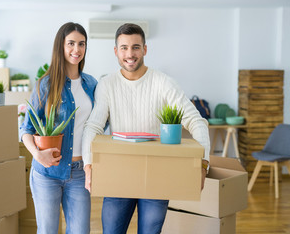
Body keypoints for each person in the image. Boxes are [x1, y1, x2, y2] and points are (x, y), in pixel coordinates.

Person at [81, 23, 210, 234]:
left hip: (157, 175)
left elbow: (197, 121)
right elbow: (93, 126)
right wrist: (88, 166)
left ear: (145, 49)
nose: (130, 54)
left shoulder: (163, 83)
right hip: (119, 173)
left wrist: (203, 165)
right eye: (124, 48)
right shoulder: (107, 84)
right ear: (116, 51)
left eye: (135, 47)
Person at [20, 22, 97, 234]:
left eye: (81, 44)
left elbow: (98, 124)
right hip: (47, 173)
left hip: (80, 173)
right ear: (60, 46)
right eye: (71, 43)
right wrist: (37, 154)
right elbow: (25, 129)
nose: (77, 49)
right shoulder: (45, 85)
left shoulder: (91, 84)